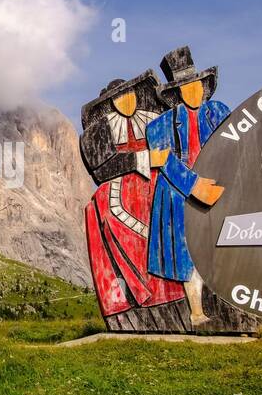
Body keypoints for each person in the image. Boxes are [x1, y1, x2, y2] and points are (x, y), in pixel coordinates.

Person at [79, 70, 185, 318]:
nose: (126, 101)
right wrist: (144, 158)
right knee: (111, 215)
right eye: (119, 97)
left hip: (155, 182)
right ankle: (135, 294)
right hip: (120, 189)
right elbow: (102, 166)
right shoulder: (101, 129)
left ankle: (171, 290)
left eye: (129, 95)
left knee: (168, 226)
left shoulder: (154, 119)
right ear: (110, 103)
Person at [146, 46, 229, 326]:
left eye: (195, 86)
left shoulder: (218, 112)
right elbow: (162, 159)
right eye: (185, 88)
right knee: (187, 251)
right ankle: (195, 311)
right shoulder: (159, 126)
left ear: (203, 86)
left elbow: (236, 143)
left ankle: (228, 302)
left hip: (218, 187)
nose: (192, 92)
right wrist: (193, 185)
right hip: (179, 194)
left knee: (222, 245)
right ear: (176, 93)